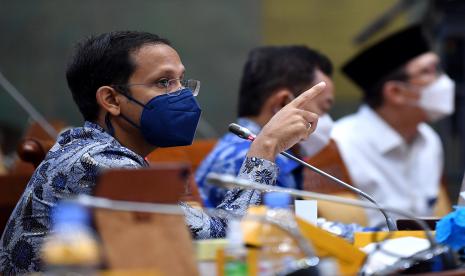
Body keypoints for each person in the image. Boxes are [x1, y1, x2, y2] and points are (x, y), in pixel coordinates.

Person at [0, 31, 324, 274]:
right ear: (111, 100)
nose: (181, 95)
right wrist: (265, 148)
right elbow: (225, 236)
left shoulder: (95, 147)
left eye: (181, 81)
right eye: (164, 83)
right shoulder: (96, 161)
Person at [331, 25, 455, 227]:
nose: (443, 81)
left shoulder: (429, 139)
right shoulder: (339, 143)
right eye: (428, 72)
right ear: (396, 92)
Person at [196, 46, 335, 208]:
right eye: (323, 109)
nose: (325, 120)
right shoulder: (248, 158)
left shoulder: (272, 154)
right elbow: (282, 228)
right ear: (283, 104)